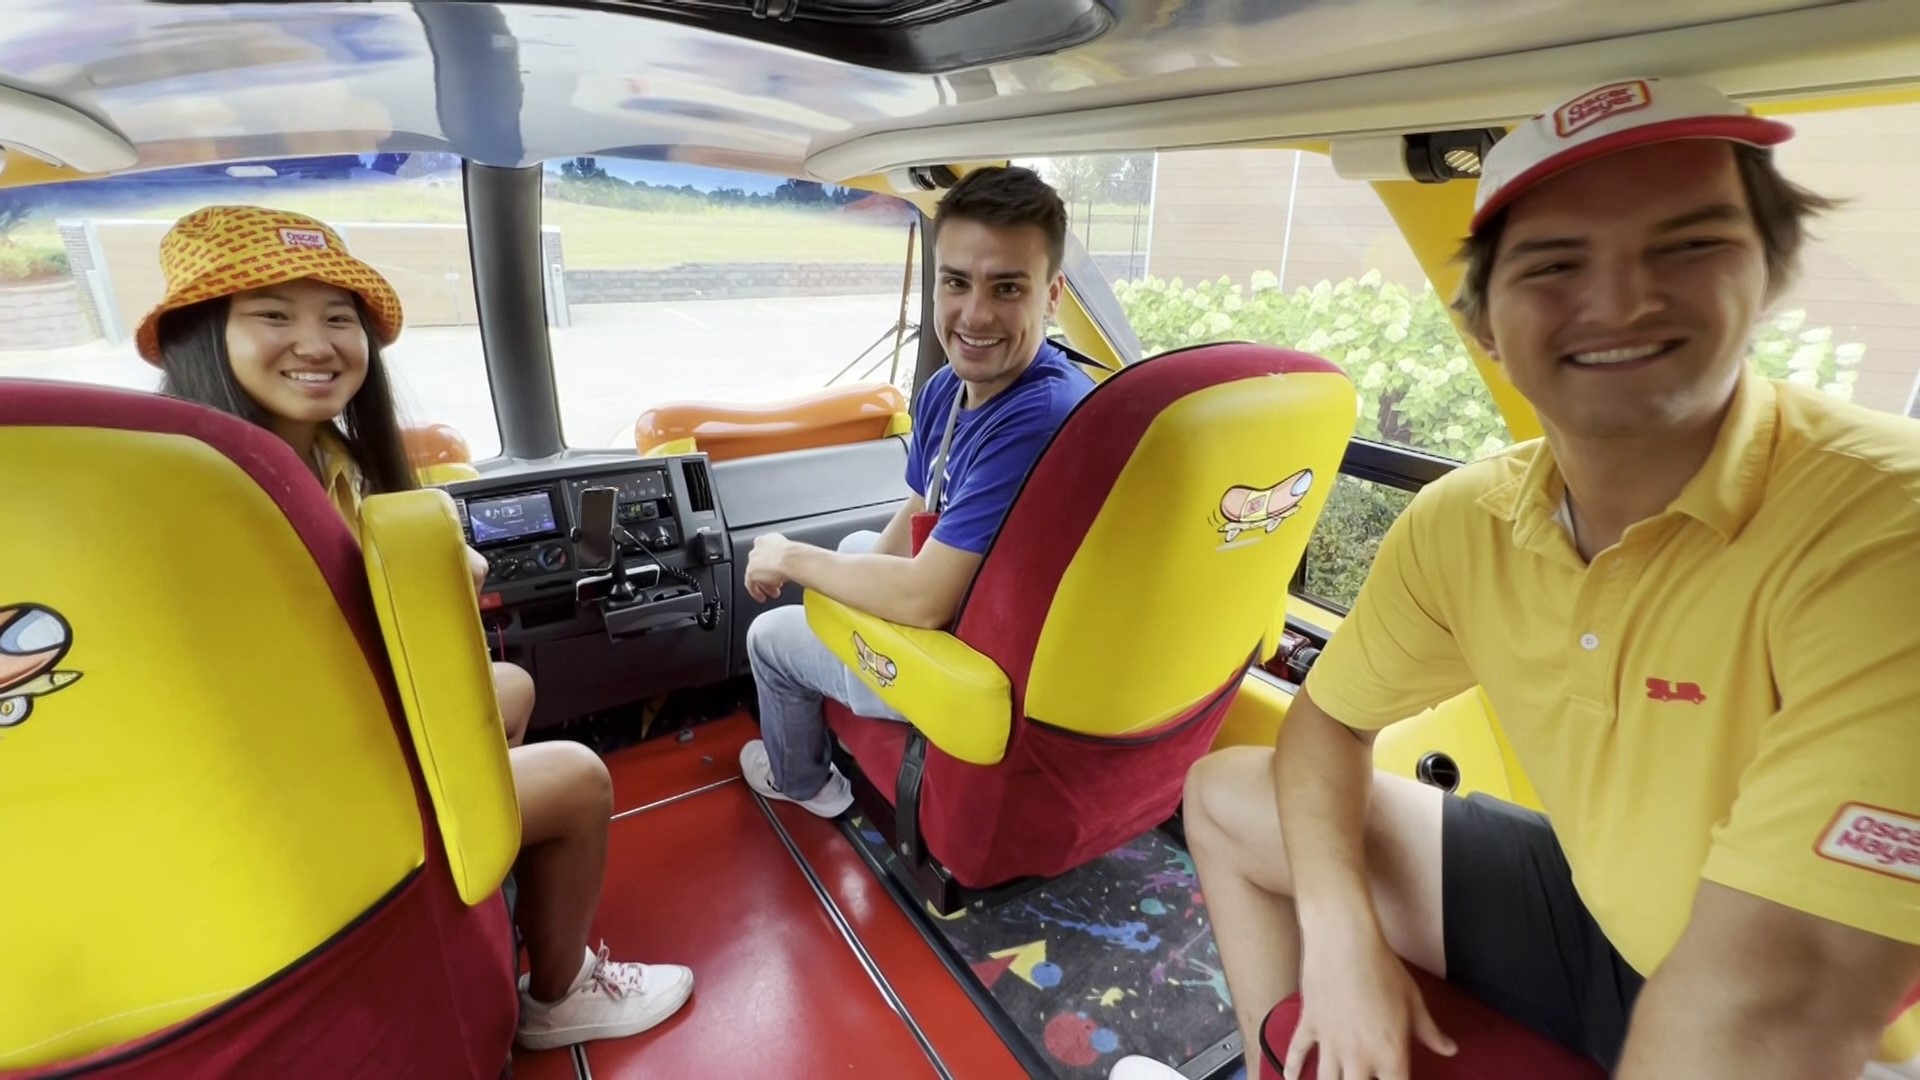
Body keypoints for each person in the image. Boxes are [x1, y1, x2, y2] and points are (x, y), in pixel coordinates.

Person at [1115, 76, 1920, 1080]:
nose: (1623, 298)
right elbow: (1326, 724)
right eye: (1555, 263)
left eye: (1691, 244)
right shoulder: (1468, 520)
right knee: (1228, 793)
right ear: (1485, 326)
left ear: (1770, 275)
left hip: (1859, 1036)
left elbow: (1784, 996)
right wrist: (1342, 940)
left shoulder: (1887, 523)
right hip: (1600, 908)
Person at [135, 205, 694, 1052]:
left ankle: (480, 882)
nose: (316, 343)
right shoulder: (198, 499)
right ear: (200, 333)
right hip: (290, 786)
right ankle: (560, 991)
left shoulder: (327, 459)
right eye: (274, 316)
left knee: (511, 684)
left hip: (331, 737)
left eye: (337, 318)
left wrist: (442, 572)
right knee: (579, 777)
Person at [736, 165, 1094, 817]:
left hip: (977, 664)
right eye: (956, 282)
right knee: (856, 545)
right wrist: (849, 570)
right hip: (979, 608)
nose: (975, 315)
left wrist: (792, 559)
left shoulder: (1038, 415)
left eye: (1007, 287)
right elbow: (922, 508)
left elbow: (926, 600)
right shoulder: (948, 391)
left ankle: (803, 782)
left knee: (770, 635)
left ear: (1052, 296)